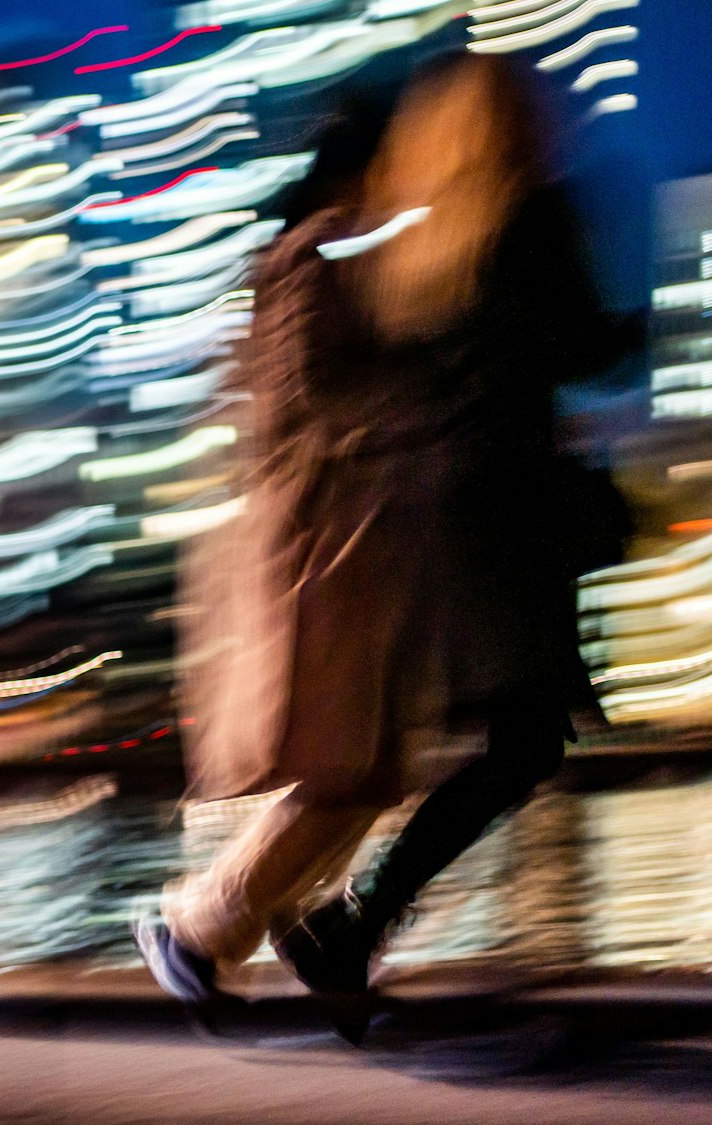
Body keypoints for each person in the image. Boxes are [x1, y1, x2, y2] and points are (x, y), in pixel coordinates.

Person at [135, 53, 637, 1017]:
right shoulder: (518, 222)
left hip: (428, 526)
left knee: (401, 754)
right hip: (493, 525)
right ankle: (297, 926)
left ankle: (300, 923)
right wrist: (622, 322)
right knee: (508, 745)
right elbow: (571, 348)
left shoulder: (417, 246)